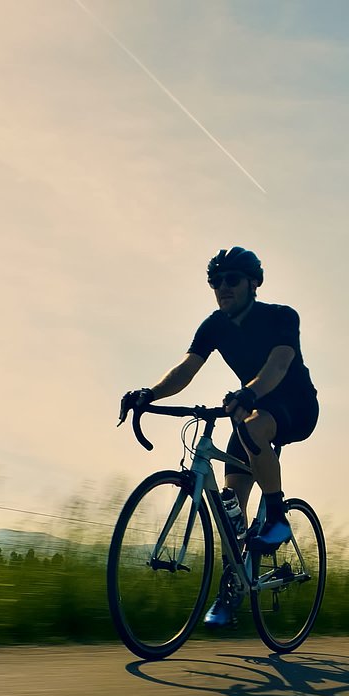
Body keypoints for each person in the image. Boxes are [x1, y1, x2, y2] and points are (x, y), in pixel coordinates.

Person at [119, 246, 320, 627]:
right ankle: (233, 584)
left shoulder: (280, 317)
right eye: (215, 281)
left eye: (231, 280)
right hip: (249, 413)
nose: (222, 287)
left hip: (295, 406)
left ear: (252, 283)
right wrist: (149, 394)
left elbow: (279, 363)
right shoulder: (214, 325)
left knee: (255, 425)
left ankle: (277, 517)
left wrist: (250, 392)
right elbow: (186, 369)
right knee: (232, 508)